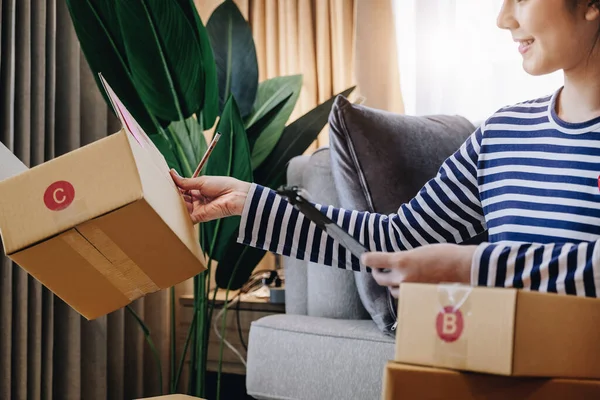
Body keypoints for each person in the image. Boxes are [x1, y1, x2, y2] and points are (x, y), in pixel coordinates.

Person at [171, 0, 600, 299]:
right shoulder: (503, 134)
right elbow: (395, 239)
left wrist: (468, 267)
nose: (503, 18)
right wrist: (250, 203)